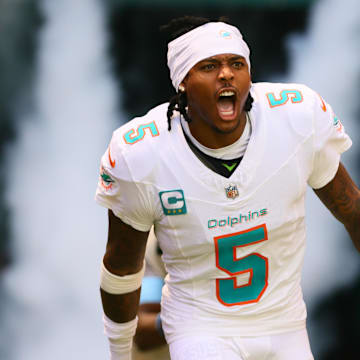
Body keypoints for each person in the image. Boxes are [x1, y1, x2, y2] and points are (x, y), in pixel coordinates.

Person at [95, 15, 360, 360]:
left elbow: (352, 209)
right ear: (183, 84)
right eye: (208, 66)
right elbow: (122, 267)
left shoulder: (297, 117)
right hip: (201, 328)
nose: (225, 74)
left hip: (285, 323)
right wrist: (119, 353)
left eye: (236, 63)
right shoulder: (142, 153)